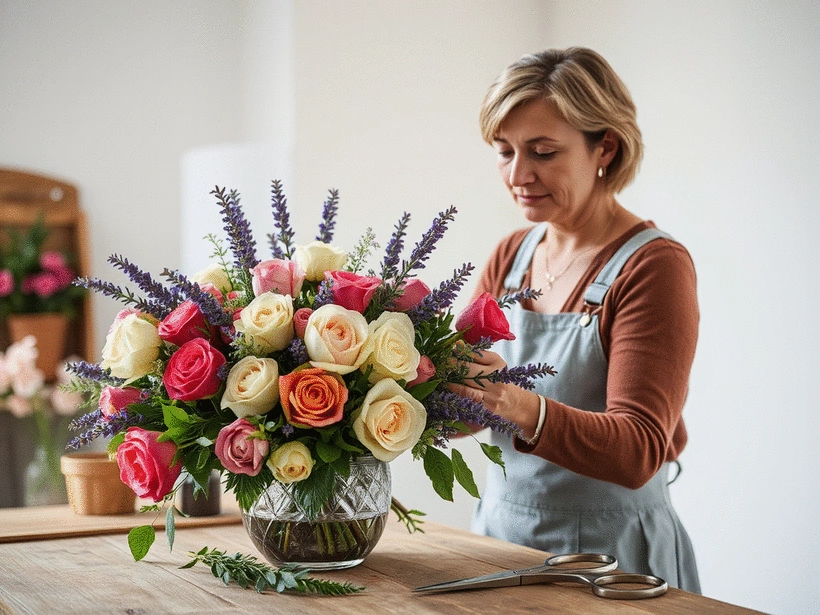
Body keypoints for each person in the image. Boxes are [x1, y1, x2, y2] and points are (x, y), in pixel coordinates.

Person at [453, 47, 701, 593]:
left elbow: (639, 448)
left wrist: (512, 401)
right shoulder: (510, 255)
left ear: (604, 147)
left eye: (542, 152)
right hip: (498, 542)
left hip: (613, 563)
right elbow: (463, 401)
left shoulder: (653, 267)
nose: (519, 174)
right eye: (504, 151)